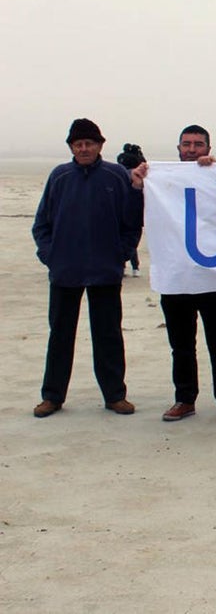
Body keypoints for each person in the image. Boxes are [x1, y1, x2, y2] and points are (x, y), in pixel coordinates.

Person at [127, 125, 216, 422]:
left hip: (213, 275)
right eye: (187, 144)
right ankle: (185, 398)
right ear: (178, 147)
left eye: (198, 144)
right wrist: (138, 182)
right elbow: (135, 212)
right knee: (181, 344)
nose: (192, 149)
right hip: (176, 274)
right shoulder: (161, 179)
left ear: (208, 147)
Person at [32, 118, 143, 417]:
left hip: (105, 270)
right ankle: (52, 396)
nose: (84, 149)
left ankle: (114, 395)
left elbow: (132, 220)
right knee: (60, 335)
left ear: (99, 146)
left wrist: (123, 252)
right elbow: (42, 223)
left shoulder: (115, 175)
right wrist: (49, 254)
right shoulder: (59, 176)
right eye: (78, 144)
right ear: (71, 147)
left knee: (108, 335)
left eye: (89, 144)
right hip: (65, 270)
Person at [116, 143, 147, 277]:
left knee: (124, 236)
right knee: (131, 238)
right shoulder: (139, 160)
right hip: (133, 197)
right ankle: (135, 268)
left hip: (124, 201)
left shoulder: (121, 159)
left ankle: (123, 266)